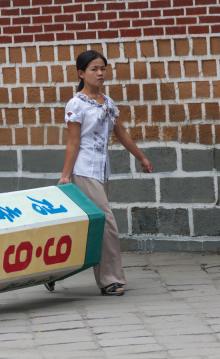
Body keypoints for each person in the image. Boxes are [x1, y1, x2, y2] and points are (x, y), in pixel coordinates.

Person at [45, 50, 154, 296]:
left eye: (103, 68)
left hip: (102, 172)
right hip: (83, 171)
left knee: (85, 227)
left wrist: (141, 157)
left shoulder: (108, 102)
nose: (100, 73)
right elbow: (73, 142)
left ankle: (51, 272)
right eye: (94, 69)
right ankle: (110, 280)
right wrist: (65, 175)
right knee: (107, 223)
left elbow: (121, 133)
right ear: (81, 74)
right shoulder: (76, 104)